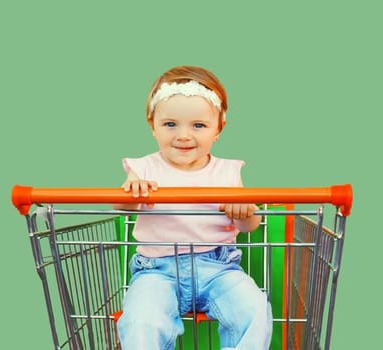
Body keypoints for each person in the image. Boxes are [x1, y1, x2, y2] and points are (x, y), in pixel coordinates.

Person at [114, 66, 272, 350]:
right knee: (141, 320)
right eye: (170, 124)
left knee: (255, 309)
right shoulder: (143, 168)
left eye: (198, 125)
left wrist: (245, 211)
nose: (183, 136)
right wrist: (132, 192)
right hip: (156, 270)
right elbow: (121, 205)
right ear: (153, 125)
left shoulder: (228, 171)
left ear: (218, 129)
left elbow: (249, 227)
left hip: (220, 269)